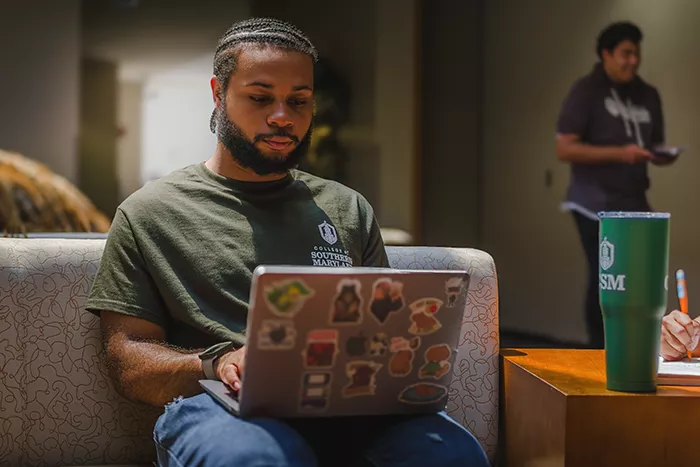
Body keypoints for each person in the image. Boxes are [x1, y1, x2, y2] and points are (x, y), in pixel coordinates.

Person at [86, 17, 489, 467]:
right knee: (260, 460)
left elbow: (380, 331)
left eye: (299, 101)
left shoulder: (346, 208)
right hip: (217, 406)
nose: (283, 117)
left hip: (347, 406)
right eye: (260, 98)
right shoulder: (148, 212)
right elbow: (128, 361)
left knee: (450, 454)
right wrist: (216, 362)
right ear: (218, 94)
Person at [555, 21, 676, 349]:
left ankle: (640, 346)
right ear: (606, 54)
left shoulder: (647, 94)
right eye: (625, 53)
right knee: (607, 278)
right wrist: (621, 154)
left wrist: (659, 155)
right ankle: (599, 349)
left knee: (644, 277)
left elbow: (653, 143)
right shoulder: (586, 91)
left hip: (634, 200)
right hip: (593, 203)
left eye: (636, 54)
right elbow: (564, 148)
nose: (632, 61)